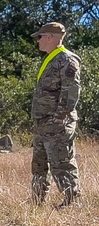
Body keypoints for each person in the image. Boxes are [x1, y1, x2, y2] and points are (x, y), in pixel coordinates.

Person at [31, 21, 81, 206]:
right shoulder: (50, 59)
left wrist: (60, 117)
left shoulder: (67, 60)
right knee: (39, 164)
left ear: (51, 37)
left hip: (57, 122)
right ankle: (37, 200)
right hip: (42, 121)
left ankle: (71, 200)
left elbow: (70, 91)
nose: (38, 41)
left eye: (40, 37)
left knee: (61, 161)